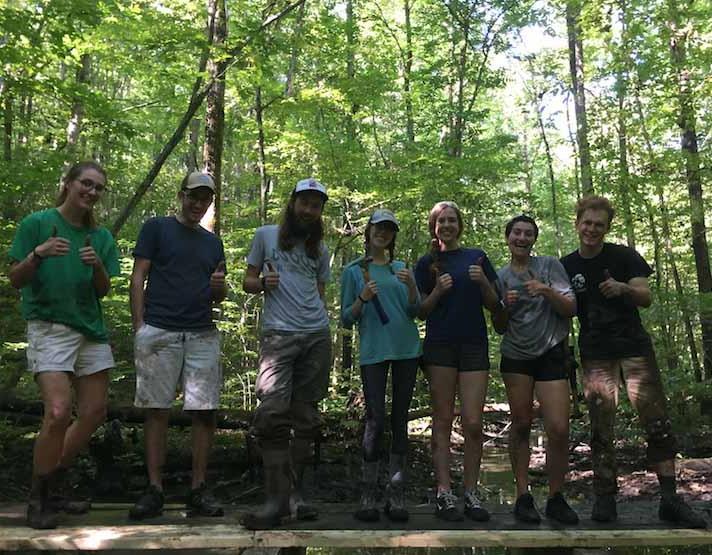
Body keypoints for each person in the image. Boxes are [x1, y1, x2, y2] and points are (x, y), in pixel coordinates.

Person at [561, 195, 706, 528]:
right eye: (587, 222)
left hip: (634, 349)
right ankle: (605, 499)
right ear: (577, 223)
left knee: (656, 422)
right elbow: (562, 309)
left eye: (599, 224)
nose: (592, 229)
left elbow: (646, 296)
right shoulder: (566, 265)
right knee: (601, 426)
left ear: (607, 227)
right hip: (595, 353)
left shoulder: (625, 256)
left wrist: (623, 288)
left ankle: (669, 499)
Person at [8, 161, 120, 529]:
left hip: (91, 331)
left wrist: (97, 267)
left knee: (93, 413)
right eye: (86, 184)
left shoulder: (101, 238)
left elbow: (102, 291)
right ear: (69, 183)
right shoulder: (37, 224)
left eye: (98, 187)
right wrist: (38, 254)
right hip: (50, 327)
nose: (92, 191)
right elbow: (15, 279)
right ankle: (38, 497)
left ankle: (55, 482)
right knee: (58, 412)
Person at [128, 171, 227, 520]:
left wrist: (219, 288)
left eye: (205, 199)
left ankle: (198, 489)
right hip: (160, 330)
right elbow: (139, 274)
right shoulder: (156, 228)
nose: (199, 204)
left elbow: (219, 293)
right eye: (193, 197)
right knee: (156, 410)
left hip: (201, 331)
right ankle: (154, 489)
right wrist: (140, 326)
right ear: (181, 195)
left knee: (204, 411)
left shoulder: (213, 242)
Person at [241, 178, 331, 530]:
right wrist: (263, 283)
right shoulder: (265, 236)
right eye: (305, 203)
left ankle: (295, 496)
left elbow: (319, 293)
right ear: (293, 203)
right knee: (272, 413)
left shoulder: (320, 249)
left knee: (306, 417)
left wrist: (321, 329)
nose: (309, 210)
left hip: (316, 336)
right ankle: (274, 500)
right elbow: (248, 281)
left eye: (316, 205)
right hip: (279, 336)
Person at [414, 201, 499, 522]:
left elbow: (495, 305)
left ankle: (471, 492)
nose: (447, 225)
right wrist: (437, 290)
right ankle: (444, 492)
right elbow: (420, 311)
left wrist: (483, 283)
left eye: (452, 220)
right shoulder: (427, 263)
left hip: (474, 346)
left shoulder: (476, 257)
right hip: (440, 347)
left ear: (459, 225)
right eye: (441, 221)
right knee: (442, 419)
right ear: (434, 228)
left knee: (474, 423)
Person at [492, 215, 578, 525]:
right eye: (517, 232)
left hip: (552, 350)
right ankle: (523, 496)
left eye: (528, 233)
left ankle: (556, 497)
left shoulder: (550, 267)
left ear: (534, 240)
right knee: (522, 423)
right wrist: (505, 306)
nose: (522, 238)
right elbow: (499, 326)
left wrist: (547, 291)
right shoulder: (500, 276)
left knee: (558, 427)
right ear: (508, 237)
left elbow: (571, 308)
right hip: (516, 355)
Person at [341, 209, 421, 523]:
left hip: (407, 349)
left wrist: (413, 285)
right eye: (379, 228)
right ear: (369, 231)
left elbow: (416, 311)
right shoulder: (354, 271)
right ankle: (368, 492)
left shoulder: (402, 268)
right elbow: (347, 317)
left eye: (389, 230)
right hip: (374, 351)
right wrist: (361, 298)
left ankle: (396, 493)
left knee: (400, 418)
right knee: (375, 418)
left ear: (392, 236)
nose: (383, 234)